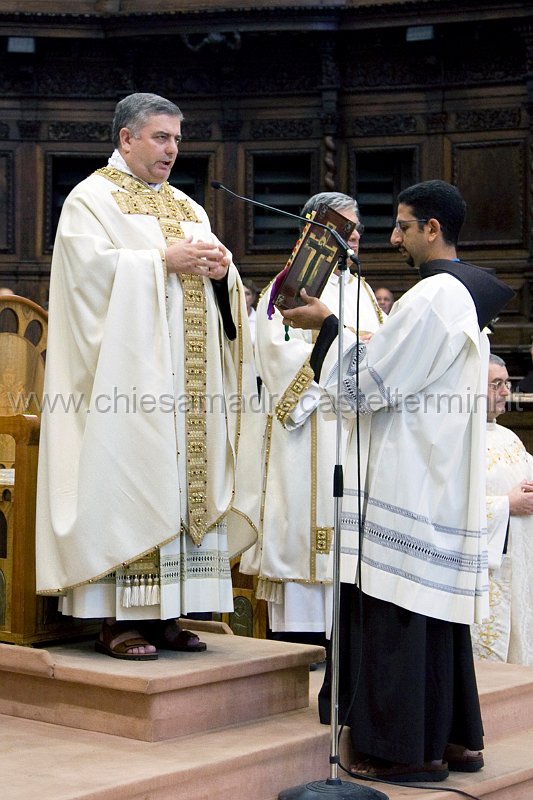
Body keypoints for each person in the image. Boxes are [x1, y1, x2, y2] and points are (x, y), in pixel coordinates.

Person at [281, 179, 514, 782]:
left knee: (397, 614)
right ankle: (455, 741)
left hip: (406, 477)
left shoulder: (433, 296)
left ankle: (403, 750)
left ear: (432, 229)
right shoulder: (462, 295)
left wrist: (326, 326)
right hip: (433, 473)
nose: (394, 236)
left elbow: (369, 386)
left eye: (404, 226)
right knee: (433, 616)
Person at [36, 93, 261, 660]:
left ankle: (169, 613)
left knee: (186, 479)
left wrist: (222, 272)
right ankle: (118, 619)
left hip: (191, 383)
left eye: (178, 139)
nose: (173, 150)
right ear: (127, 139)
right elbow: (84, 282)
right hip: (129, 382)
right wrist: (159, 261)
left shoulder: (189, 207)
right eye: (161, 138)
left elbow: (223, 291)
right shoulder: (91, 200)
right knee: (133, 474)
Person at [240, 192, 383, 648]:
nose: (355, 235)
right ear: (315, 230)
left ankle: (346, 652)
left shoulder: (360, 290)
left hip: (354, 431)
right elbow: (280, 364)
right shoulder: (283, 289)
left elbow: (380, 353)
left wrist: (347, 341)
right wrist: (342, 345)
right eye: (344, 227)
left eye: (358, 227)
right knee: (303, 540)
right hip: (307, 436)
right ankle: (300, 652)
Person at [471, 354, 533, 665]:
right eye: (497, 384)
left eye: (506, 384)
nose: (506, 392)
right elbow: (451, 508)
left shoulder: (510, 437)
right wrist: (506, 505)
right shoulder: (460, 440)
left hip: (519, 562)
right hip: (485, 572)